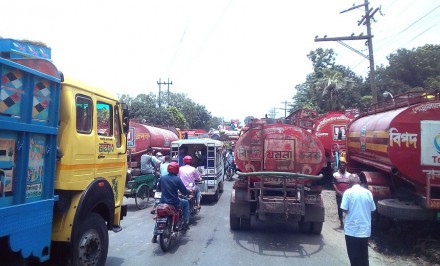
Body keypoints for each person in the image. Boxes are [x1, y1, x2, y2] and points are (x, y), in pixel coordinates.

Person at [341, 173, 376, 266]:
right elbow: (373, 209)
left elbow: (344, 209)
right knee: (364, 256)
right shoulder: (368, 193)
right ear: (360, 182)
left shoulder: (347, 193)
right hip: (365, 230)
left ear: (349, 183)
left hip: (352, 230)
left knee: (354, 257)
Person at [152, 162, 190, 243]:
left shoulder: (162, 178)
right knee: (186, 203)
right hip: (174, 202)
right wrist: (187, 193)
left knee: (159, 217)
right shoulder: (177, 179)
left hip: (162, 202)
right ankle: (186, 222)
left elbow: (159, 188)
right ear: (176, 170)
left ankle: (154, 236)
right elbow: (184, 191)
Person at [332, 154, 351, 228]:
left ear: (345, 166)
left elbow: (350, 184)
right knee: (339, 208)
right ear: (339, 166)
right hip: (339, 194)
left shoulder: (349, 175)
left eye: (343, 165)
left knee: (348, 208)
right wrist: (337, 191)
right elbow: (333, 183)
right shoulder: (335, 174)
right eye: (341, 165)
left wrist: (347, 192)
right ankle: (341, 222)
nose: (342, 166)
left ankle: (347, 222)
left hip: (347, 194)